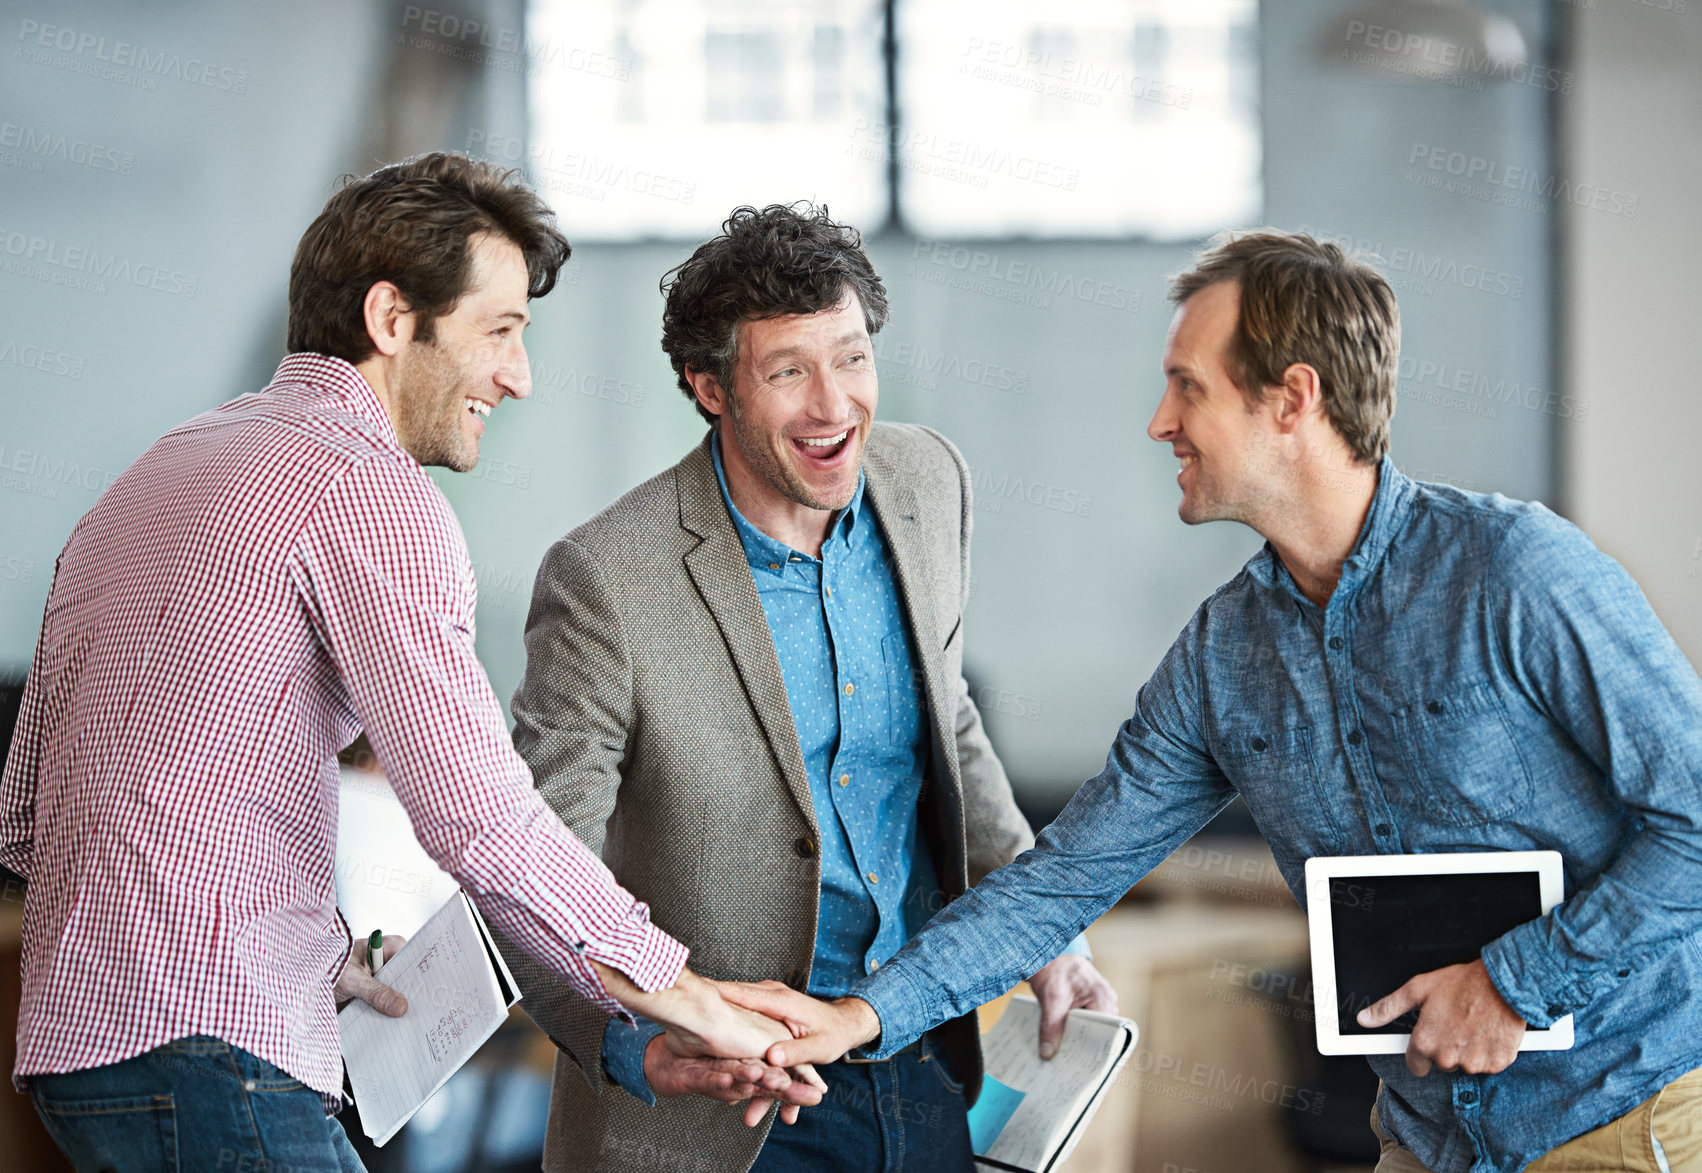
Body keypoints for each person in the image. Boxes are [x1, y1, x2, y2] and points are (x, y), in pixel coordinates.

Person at [723, 230, 1702, 1173]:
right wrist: (861, 1016)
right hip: (1427, 1137)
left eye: (1187, 385)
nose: (1160, 420)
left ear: (1293, 398)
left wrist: (1514, 984)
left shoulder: (1517, 574)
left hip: (1624, 1117)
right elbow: (1062, 880)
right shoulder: (1224, 654)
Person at [0, 153, 815, 1173]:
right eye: (500, 331)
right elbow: (478, 816)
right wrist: (688, 995)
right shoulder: (366, 489)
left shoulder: (153, 475)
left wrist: (306, 950)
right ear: (392, 319)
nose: (518, 375)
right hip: (216, 1048)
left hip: (80, 1051)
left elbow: (23, 818)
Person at [492, 202, 1116, 1173]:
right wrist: (633, 1046)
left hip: (915, 1056)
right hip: (718, 1104)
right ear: (709, 387)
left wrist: (1048, 939)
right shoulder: (605, 580)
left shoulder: (927, 479)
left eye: (852, 357)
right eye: (788, 372)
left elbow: (948, 725)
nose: (834, 405)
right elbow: (532, 866)